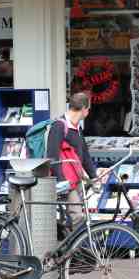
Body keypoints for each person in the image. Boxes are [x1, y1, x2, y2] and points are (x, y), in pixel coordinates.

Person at [46, 92, 108, 227]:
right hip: (67, 181)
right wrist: (62, 182)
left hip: (76, 178)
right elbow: (52, 155)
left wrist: (94, 177)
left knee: (80, 215)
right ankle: (77, 247)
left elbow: (84, 154)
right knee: (77, 216)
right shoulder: (59, 126)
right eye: (89, 109)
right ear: (84, 109)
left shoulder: (77, 128)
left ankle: (72, 244)